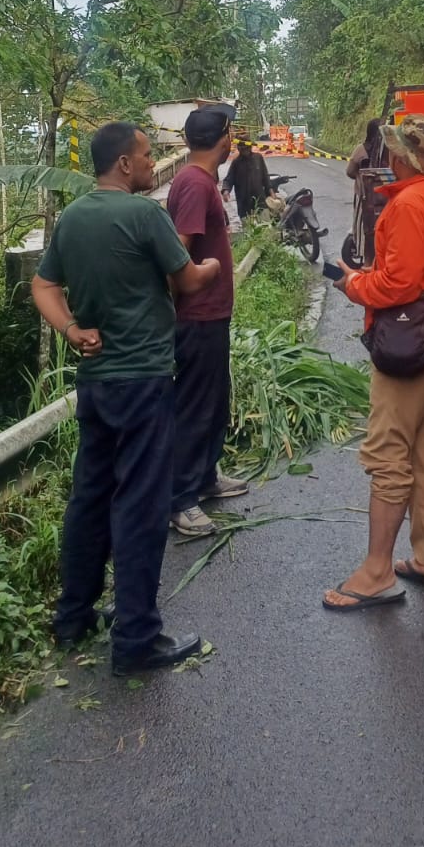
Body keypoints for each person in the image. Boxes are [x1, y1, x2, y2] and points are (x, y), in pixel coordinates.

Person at [31, 121, 219, 675]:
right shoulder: (143, 215)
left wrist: (71, 330)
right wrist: (212, 266)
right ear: (123, 164)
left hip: (95, 383)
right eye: (145, 154)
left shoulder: (72, 217)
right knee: (140, 506)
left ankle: (73, 617)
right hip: (143, 380)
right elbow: (188, 280)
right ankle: (136, 637)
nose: (150, 162)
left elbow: (44, 285)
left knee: (90, 497)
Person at [324, 113, 424, 611]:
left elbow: (399, 285)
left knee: (388, 454)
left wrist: (353, 284)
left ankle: (376, 572)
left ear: (399, 156)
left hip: (412, 348)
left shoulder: (409, 204)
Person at [166, 104, 250, 538]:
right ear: (225, 138)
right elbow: (177, 252)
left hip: (210, 313)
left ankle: (205, 476)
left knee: (214, 401)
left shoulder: (200, 180)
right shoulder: (196, 184)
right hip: (197, 317)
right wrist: (175, 307)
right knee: (196, 406)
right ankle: (180, 500)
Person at [221, 137, 272, 221]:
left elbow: (265, 177)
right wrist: (226, 191)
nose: (245, 151)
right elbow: (229, 179)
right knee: (248, 227)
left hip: (260, 201)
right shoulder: (236, 163)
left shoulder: (258, 158)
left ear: (250, 147)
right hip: (244, 203)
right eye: (242, 149)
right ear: (239, 149)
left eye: (246, 148)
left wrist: (271, 192)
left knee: (265, 224)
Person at [345, 117, 385, 184]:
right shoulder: (390, 150)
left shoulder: (361, 148)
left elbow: (350, 171)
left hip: (365, 188)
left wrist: (362, 178)